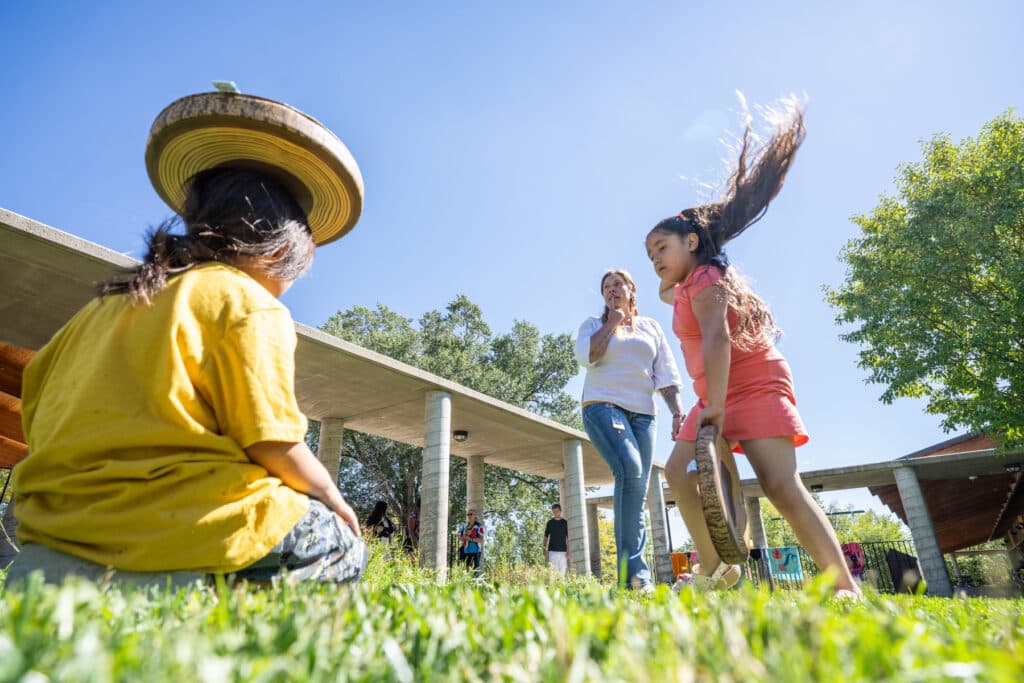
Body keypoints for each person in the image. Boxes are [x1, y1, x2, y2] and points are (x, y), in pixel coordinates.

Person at [9, 90, 368, 585]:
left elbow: (37, 405)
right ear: (277, 253)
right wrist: (330, 494)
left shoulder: (100, 308)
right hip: (179, 527)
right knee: (340, 544)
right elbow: (272, 442)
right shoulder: (249, 302)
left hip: (56, 533)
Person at [644, 98, 860, 597]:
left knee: (781, 486)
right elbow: (663, 290)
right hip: (715, 391)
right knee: (678, 472)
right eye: (650, 253)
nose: (655, 258)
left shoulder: (708, 280)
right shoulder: (685, 282)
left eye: (662, 247)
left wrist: (714, 408)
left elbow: (718, 338)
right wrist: (712, 403)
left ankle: (844, 586)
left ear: (693, 243)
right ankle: (718, 569)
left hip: (749, 384)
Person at [575, 270, 684, 591]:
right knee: (631, 468)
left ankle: (634, 581)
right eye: (606, 287)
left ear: (632, 289)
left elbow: (665, 372)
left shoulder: (651, 327)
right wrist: (613, 322)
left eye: (617, 285)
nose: (611, 290)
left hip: (644, 414)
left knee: (637, 490)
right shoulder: (592, 326)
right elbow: (589, 356)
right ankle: (636, 575)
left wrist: (677, 410)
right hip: (601, 405)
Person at [543, 503, 569, 576]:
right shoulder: (550, 523)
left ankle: (562, 587)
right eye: (554, 512)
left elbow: (568, 538)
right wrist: (544, 548)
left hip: (563, 552)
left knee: (562, 574)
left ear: (560, 511)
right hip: (552, 552)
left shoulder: (565, 523)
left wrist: (568, 551)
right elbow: (545, 537)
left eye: (557, 511)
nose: (555, 513)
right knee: (553, 574)